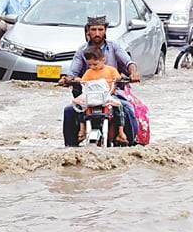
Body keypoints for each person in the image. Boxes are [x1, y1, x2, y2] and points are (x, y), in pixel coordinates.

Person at [59, 16, 141, 146]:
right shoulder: (82, 51)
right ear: (88, 31)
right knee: (69, 110)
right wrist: (67, 79)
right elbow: (73, 73)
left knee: (127, 108)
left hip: (112, 93)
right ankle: (70, 148)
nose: (97, 33)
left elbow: (128, 62)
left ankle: (130, 144)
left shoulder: (114, 47)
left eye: (100, 29)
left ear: (105, 30)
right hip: (89, 95)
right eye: (93, 29)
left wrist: (133, 73)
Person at [73, 46, 128, 144]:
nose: (92, 67)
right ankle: (82, 129)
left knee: (120, 106)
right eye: (89, 65)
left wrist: (121, 78)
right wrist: (77, 80)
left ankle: (120, 132)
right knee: (80, 106)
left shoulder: (111, 70)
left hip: (108, 96)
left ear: (103, 60)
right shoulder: (88, 72)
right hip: (91, 97)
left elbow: (118, 78)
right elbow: (83, 81)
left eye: (95, 64)